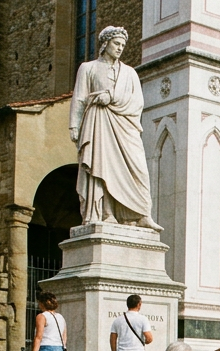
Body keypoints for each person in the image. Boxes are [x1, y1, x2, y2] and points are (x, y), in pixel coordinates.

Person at [69, 27, 160, 230]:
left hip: (125, 125)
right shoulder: (88, 68)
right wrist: (74, 125)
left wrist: (111, 97)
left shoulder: (130, 73)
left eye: (122, 45)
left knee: (139, 170)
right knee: (101, 166)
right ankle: (104, 212)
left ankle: (140, 213)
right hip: (98, 122)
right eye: (116, 44)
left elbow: (137, 102)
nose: (120, 48)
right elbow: (80, 99)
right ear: (105, 44)